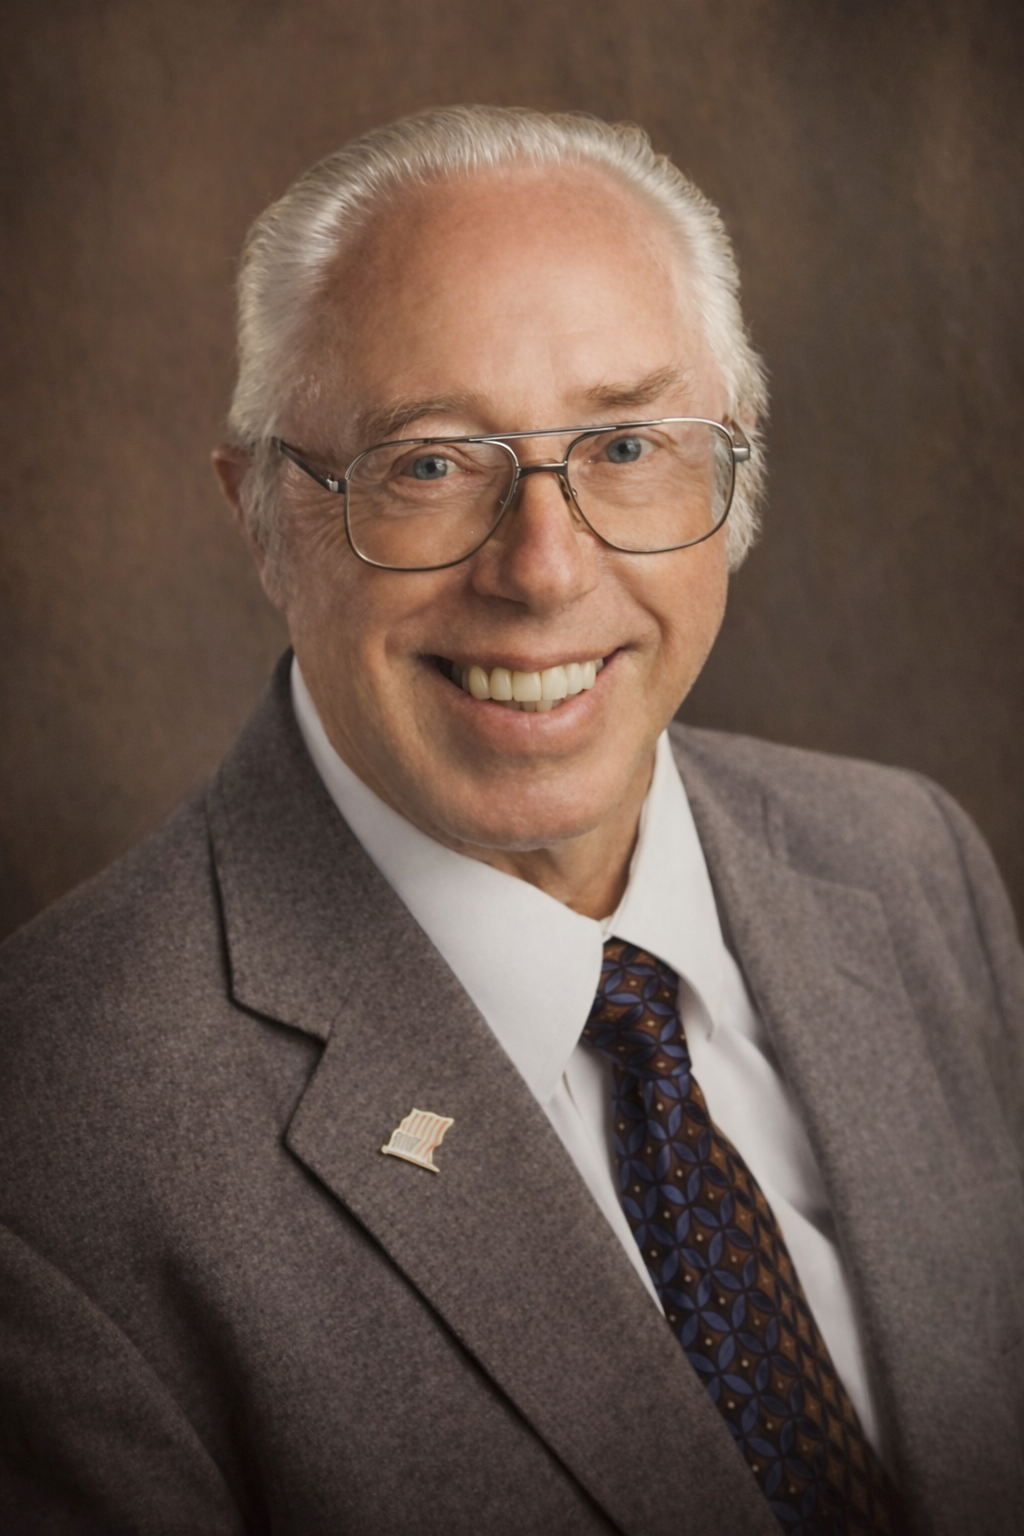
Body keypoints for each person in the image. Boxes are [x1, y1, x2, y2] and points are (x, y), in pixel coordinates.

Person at [0, 105, 1021, 1536]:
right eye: (429, 463)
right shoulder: (49, 1144)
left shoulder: (909, 867)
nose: (544, 572)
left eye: (625, 446)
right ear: (263, 520)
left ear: (734, 475)